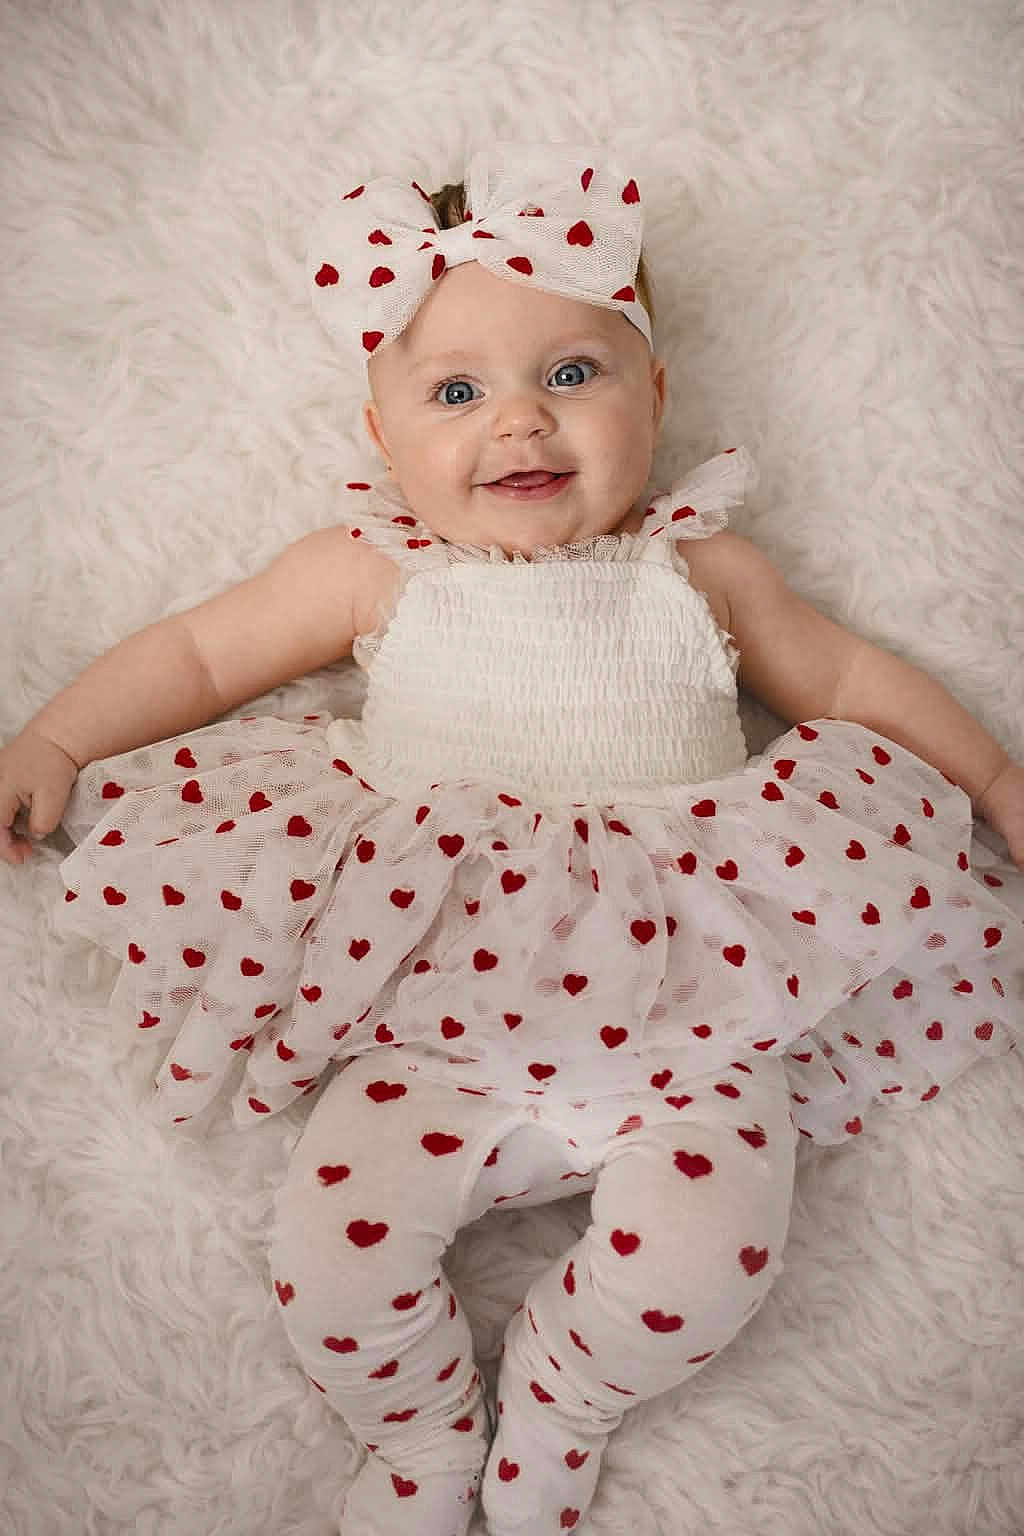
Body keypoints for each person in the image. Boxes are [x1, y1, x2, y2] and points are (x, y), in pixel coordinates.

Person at [1, 142, 1022, 1536]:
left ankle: (563, 1400)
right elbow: (193, 655)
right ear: (383, 437)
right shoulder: (372, 566)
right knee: (333, 1254)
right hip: (442, 1015)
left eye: (575, 375)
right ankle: (420, 1440)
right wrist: (57, 739)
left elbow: (847, 686)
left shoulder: (701, 567)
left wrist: (999, 783)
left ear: (655, 394)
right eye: (459, 392)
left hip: (690, 1020)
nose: (523, 426)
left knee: (714, 1255)